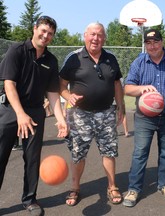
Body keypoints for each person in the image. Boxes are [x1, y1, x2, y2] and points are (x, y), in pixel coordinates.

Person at [0, 16, 68, 216]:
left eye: (50, 34)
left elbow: (53, 94)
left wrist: (61, 119)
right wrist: (20, 114)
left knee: (32, 159)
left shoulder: (51, 60)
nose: (46, 36)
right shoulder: (17, 51)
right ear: (35, 28)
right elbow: (9, 84)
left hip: (36, 112)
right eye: (43, 31)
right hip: (11, 110)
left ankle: (30, 200)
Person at [123, 29, 165, 207]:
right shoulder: (139, 62)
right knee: (140, 153)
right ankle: (134, 189)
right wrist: (142, 88)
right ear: (145, 44)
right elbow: (127, 88)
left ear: (162, 42)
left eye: (155, 42)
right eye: (148, 43)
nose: (152, 46)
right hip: (145, 117)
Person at [59, 22, 124, 206]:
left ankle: (112, 186)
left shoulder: (111, 58)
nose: (96, 38)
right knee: (78, 154)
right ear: (85, 36)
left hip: (106, 113)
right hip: (80, 115)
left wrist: (120, 106)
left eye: (100, 35)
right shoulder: (74, 58)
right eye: (92, 34)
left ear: (104, 38)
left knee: (109, 152)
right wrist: (68, 96)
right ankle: (75, 187)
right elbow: (61, 85)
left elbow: (117, 84)